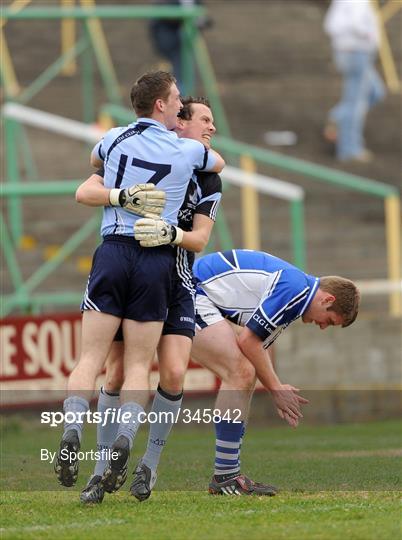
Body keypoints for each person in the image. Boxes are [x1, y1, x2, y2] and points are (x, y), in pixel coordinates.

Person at [54, 73, 225, 490]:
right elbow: (86, 186)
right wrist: (119, 193)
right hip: (152, 266)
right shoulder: (185, 152)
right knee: (121, 370)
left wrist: (171, 233)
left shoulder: (121, 142)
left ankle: (146, 464)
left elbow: (201, 238)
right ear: (173, 115)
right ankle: (103, 468)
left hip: (173, 274)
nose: (210, 128)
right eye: (201, 118)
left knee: (170, 373)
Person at [189, 249, 360, 495]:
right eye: (329, 321)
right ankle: (225, 475)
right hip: (190, 290)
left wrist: (275, 387)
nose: (323, 327)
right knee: (240, 372)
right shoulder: (295, 290)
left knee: (245, 373)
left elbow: (255, 348)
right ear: (328, 300)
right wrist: (276, 389)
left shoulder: (297, 294)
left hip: (199, 292)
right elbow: (248, 340)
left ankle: (227, 474)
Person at [323, 0, 385, 162]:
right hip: (357, 53)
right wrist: (369, 35)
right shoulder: (359, 2)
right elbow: (356, 23)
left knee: (375, 91)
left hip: (346, 52)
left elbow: (330, 25)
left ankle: (337, 118)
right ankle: (349, 150)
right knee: (355, 103)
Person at [149, 0, 211, 91]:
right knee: (180, 72)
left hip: (185, 40)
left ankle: (180, 94)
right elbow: (163, 15)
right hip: (171, 40)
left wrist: (201, 21)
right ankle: (179, 95)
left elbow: (202, 14)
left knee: (185, 72)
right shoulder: (166, 4)